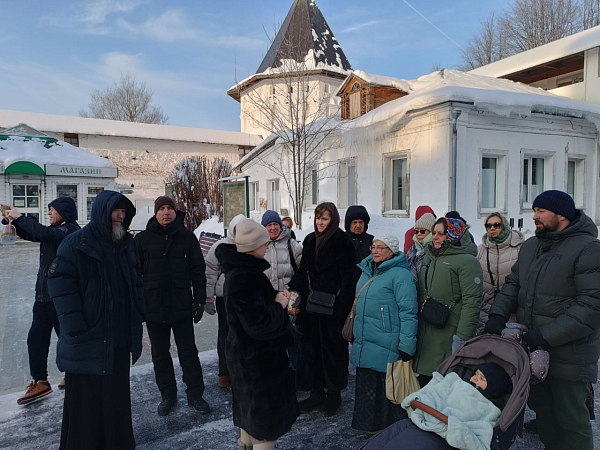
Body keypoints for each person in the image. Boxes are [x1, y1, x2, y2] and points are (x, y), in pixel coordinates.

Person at [484, 190, 600, 450]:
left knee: (571, 418)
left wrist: (546, 334)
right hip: (534, 350)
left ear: (562, 215)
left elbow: (592, 306)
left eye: (541, 211)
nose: (534, 216)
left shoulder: (588, 249)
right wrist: (497, 314)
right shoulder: (531, 246)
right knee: (544, 412)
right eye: (534, 210)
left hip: (571, 354)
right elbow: (513, 284)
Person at [47, 190, 144, 450]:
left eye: (123, 212)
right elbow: (59, 284)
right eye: (115, 211)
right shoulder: (76, 243)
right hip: (88, 340)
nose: (120, 216)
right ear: (101, 212)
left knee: (116, 401)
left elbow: (136, 281)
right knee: (86, 406)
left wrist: (139, 311)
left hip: (119, 339)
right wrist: (75, 327)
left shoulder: (125, 244)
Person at [216, 219, 299, 450]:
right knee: (265, 425)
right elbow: (260, 324)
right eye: (264, 243)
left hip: (244, 355)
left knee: (249, 412)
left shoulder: (239, 272)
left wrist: (273, 298)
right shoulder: (246, 277)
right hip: (259, 361)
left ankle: (245, 444)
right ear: (253, 246)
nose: (267, 246)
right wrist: (279, 304)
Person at [134, 196, 209, 416]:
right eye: (162, 209)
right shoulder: (142, 240)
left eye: (170, 208)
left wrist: (200, 299)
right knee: (159, 354)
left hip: (181, 304)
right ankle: (168, 395)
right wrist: (139, 304)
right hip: (154, 306)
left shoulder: (187, 238)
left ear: (176, 212)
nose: (166, 212)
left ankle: (195, 394)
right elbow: (135, 275)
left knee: (188, 352)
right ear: (155, 212)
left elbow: (198, 270)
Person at [2, 198, 80, 405]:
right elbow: (35, 234)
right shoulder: (54, 231)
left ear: (63, 211)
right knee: (36, 340)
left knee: (67, 339)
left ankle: (74, 374)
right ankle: (40, 381)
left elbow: (45, 234)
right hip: (44, 296)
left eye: (52, 210)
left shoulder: (71, 231)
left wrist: (21, 217)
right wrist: (13, 221)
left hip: (61, 298)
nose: (49, 213)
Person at [288, 202, 355, 416]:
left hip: (333, 308)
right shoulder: (309, 240)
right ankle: (316, 393)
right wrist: (294, 288)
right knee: (312, 351)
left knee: (333, 352)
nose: (319, 222)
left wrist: (341, 309)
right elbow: (304, 271)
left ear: (332, 220)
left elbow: (349, 279)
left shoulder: (343, 241)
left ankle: (334, 394)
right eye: (318, 218)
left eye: (324, 218)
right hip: (310, 306)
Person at [350, 235, 418, 433]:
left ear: (392, 251)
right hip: (365, 340)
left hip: (387, 342)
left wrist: (406, 345)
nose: (375, 251)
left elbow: (408, 312)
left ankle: (388, 432)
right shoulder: (367, 271)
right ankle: (369, 428)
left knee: (386, 391)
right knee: (367, 389)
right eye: (374, 247)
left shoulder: (401, 275)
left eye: (381, 247)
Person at [413, 217, 482, 387]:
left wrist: (462, 338)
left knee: (442, 380)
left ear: (454, 235)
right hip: (426, 328)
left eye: (441, 234)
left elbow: (472, 302)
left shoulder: (467, 261)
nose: (435, 237)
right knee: (425, 382)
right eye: (434, 233)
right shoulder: (430, 256)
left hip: (449, 331)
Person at [204, 214, 245, 389]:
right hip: (224, 297)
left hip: (245, 297)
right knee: (225, 335)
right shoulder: (220, 246)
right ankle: (224, 372)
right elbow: (210, 273)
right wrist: (208, 298)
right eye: (237, 229)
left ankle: (241, 371)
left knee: (244, 334)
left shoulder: (249, 245)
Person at [475, 212, 523, 335]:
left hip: (512, 309)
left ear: (504, 226)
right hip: (486, 308)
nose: (492, 228)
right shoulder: (481, 250)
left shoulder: (519, 248)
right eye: (488, 225)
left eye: (497, 225)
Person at [261, 210, 302, 291]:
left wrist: (294, 287)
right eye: (269, 225)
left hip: (288, 295)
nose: (273, 228)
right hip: (265, 295)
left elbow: (303, 269)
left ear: (280, 225)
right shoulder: (259, 246)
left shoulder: (292, 244)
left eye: (276, 224)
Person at [344, 205, 374, 283]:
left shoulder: (372, 241)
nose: (358, 226)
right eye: (354, 222)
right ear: (349, 224)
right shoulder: (340, 239)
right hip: (345, 283)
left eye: (361, 222)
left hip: (365, 283)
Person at [405, 212, 436, 283]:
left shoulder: (434, 250)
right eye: (416, 231)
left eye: (422, 231)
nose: (419, 234)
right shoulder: (412, 249)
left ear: (431, 232)